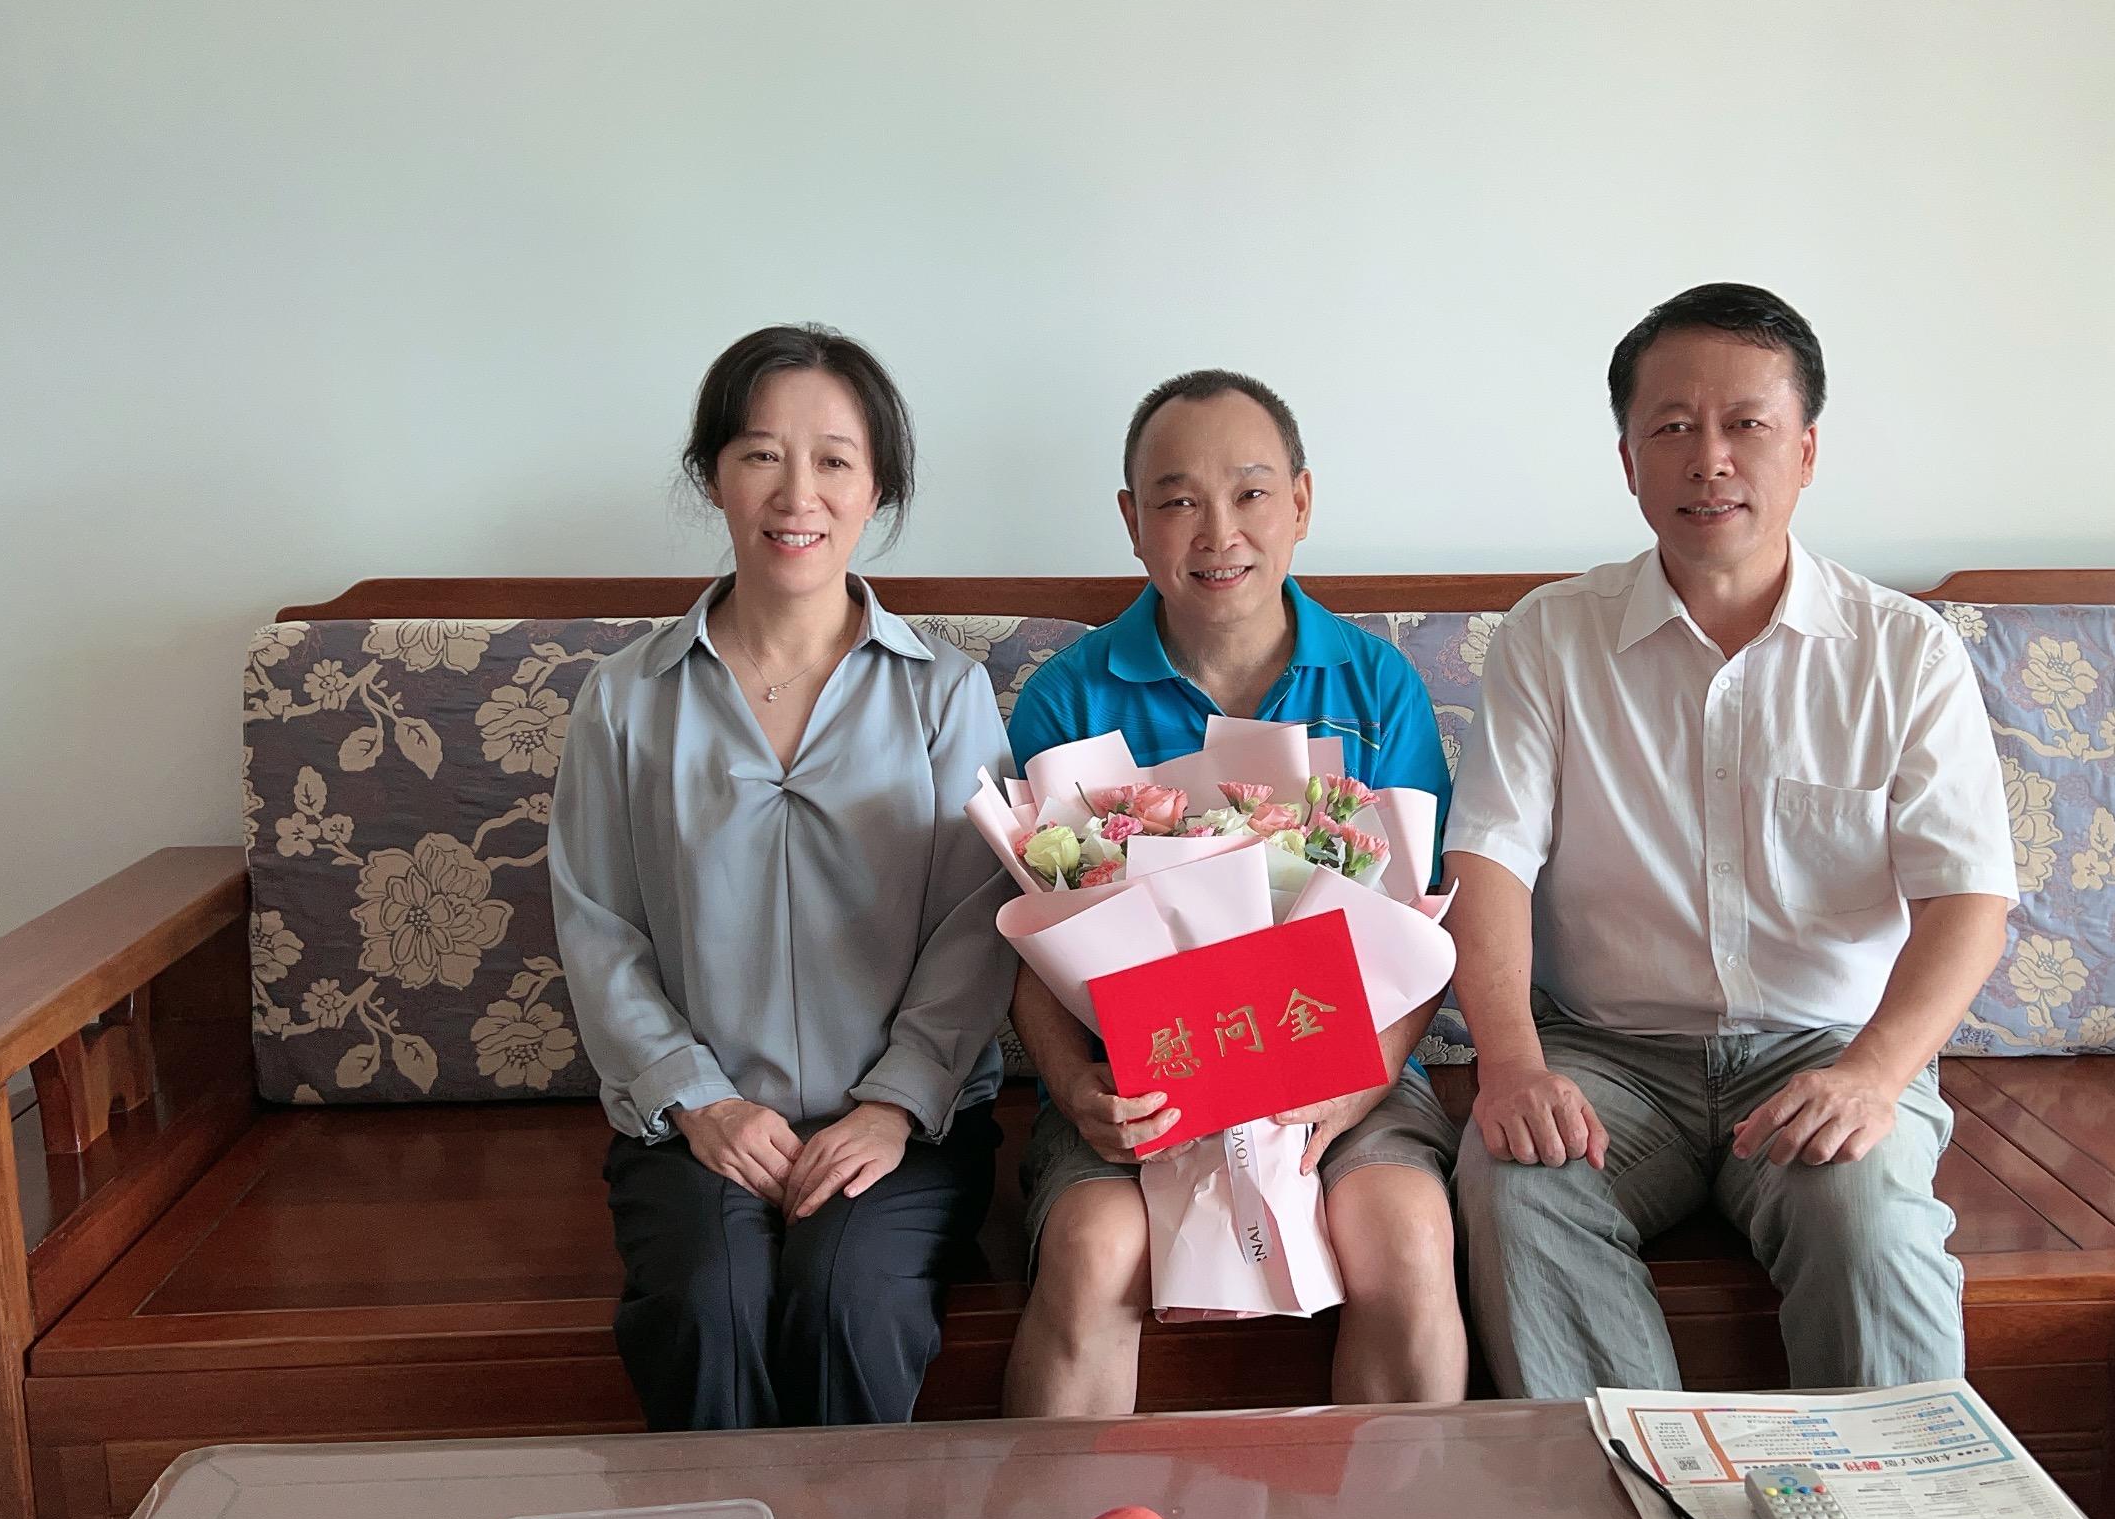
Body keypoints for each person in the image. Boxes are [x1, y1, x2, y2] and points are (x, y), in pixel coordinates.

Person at [1445, 283, 2016, 1396]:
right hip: (1609, 1053)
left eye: (1746, 424)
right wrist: (1511, 1066)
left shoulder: (1905, 653)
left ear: (1805, 451)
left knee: (1865, 1212)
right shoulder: (1550, 638)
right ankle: (1636, 1495)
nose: (1709, 459)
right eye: (1672, 427)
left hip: (1826, 1049)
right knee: (1517, 1182)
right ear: (1628, 460)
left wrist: (1872, 1077)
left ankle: (1888, 1500)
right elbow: (1488, 863)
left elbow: (1969, 902)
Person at [551, 326, 1017, 1429]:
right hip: (694, 1127)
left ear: (876, 489)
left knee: (848, 1297)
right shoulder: (626, 700)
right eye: (761, 454)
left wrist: (894, 1106)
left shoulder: (945, 696)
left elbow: (978, 918)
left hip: (904, 1130)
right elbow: (598, 925)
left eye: (834, 461)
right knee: (707, 1303)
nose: (796, 494)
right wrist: (699, 1100)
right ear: (712, 474)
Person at [1000, 369, 1468, 1412]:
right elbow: (1030, 943)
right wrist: (1076, 1091)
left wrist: (1354, 1086)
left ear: (1300, 503)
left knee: (1403, 1234)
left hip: (1346, 1059)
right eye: (1177, 501)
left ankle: (1410, 1517)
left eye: (1251, 493)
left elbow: (1425, 934)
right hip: (1137, 1073)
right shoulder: (1067, 697)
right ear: (1133, 521)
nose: (1219, 532)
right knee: (1093, 1246)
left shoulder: (1377, 687)